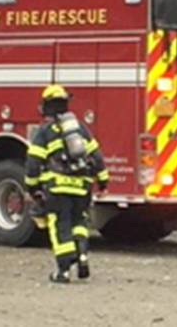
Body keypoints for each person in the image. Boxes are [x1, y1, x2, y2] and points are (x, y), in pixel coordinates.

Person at [25, 84, 110, 283]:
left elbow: (33, 163)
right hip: (82, 187)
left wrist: (32, 187)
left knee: (60, 225)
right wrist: (103, 182)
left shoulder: (45, 131)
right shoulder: (80, 129)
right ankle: (82, 255)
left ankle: (63, 271)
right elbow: (97, 157)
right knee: (79, 222)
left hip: (57, 189)